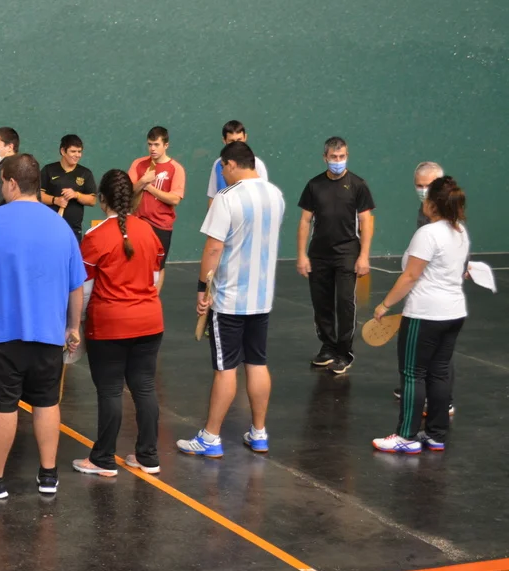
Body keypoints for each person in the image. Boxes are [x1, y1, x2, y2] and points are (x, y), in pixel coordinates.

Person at [0, 154, 85, 499]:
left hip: (0, 335)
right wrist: (72, 327)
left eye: (2, 181)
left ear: (12, 183)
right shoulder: (60, 226)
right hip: (48, 334)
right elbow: (76, 285)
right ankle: (48, 476)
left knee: (3, 406)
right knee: (46, 403)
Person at [177, 142, 285, 458]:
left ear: (232, 164)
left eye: (222, 168)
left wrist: (202, 289)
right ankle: (259, 433)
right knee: (257, 363)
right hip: (261, 298)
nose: (222, 174)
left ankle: (211, 437)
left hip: (229, 300)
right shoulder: (276, 195)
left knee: (226, 369)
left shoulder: (227, 198)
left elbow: (214, 248)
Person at [72, 170, 165, 477]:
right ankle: (148, 457)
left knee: (110, 390)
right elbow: (154, 278)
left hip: (110, 326)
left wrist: (76, 325)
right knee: (145, 387)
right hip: (150, 322)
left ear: (102, 200)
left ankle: (103, 459)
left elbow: (84, 290)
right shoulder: (148, 231)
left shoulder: (95, 237)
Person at [371, 177, 468, 454]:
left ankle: (407, 436)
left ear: (432, 204)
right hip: (454, 313)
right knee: (439, 373)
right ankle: (436, 435)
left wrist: (385, 305)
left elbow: (410, 276)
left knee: (413, 374)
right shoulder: (460, 231)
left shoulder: (428, 234)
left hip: (425, 315)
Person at [297, 136, 375, 375]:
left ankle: (344, 352)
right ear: (325, 158)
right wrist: (301, 255)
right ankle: (328, 347)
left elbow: (366, 221)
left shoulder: (358, 185)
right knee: (321, 303)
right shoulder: (314, 185)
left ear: (347, 156)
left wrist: (364, 256)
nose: (338, 161)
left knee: (344, 302)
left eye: (342, 157)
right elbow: (305, 221)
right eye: (333, 157)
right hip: (319, 254)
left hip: (347, 253)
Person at [396, 162, 455, 414]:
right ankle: (421, 390)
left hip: (439, 297)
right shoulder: (425, 209)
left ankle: (442, 400)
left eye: (428, 185)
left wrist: (386, 304)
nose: (423, 190)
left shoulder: (448, 212)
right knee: (429, 352)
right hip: (428, 290)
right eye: (419, 185)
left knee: (439, 355)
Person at [128, 126, 186, 290]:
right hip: (138, 222)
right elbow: (128, 191)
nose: (152, 148)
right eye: (150, 144)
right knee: (134, 262)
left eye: (156, 144)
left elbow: (175, 199)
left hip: (161, 225)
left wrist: (149, 187)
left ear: (166, 145)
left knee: (158, 266)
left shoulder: (176, 169)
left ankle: (153, 299)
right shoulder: (138, 164)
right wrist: (142, 181)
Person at [40, 134, 97, 242]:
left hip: (74, 231)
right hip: (50, 227)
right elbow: (38, 196)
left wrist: (76, 195)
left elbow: (92, 200)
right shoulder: (48, 170)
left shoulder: (85, 173)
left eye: (79, 151)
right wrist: (55, 200)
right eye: (73, 151)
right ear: (63, 151)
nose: (77, 155)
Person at [207, 121, 268, 207]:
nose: (236, 145)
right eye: (231, 141)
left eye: (239, 140)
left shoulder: (257, 164)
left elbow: (264, 196)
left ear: (245, 137)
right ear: (224, 140)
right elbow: (213, 197)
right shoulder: (218, 164)